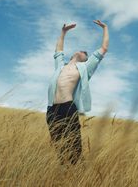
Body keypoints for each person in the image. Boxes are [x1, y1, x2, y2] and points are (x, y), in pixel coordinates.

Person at [46, 20, 109, 165]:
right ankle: (65, 175)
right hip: (51, 110)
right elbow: (58, 51)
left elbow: (103, 49)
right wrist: (63, 32)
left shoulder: (84, 68)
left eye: (86, 54)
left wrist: (105, 28)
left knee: (74, 148)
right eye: (82, 51)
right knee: (60, 148)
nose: (84, 52)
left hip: (68, 108)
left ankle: (78, 173)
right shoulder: (60, 67)